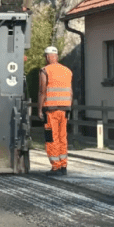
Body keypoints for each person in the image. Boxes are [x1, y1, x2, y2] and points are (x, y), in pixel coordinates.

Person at [38, 46, 72, 176]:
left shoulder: (45, 71)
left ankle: (55, 167)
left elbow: (42, 92)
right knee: (62, 137)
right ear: (56, 56)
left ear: (47, 57)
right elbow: (70, 91)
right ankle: (63, 165)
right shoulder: (67, 71)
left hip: (51, 110)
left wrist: (40, 109)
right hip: (65, 110)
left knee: (51, 138)